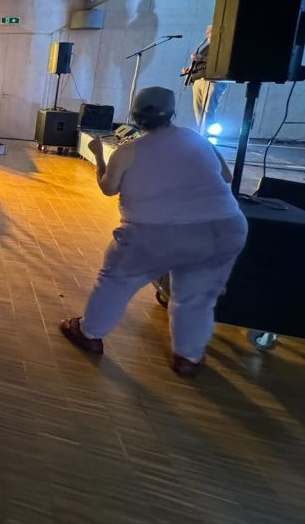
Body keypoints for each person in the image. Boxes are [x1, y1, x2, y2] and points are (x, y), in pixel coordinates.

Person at [59, 87, 248, 377]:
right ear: (172, 114)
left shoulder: (127, 151)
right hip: (222, 229)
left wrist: (98, 155)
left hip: (153, 233)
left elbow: (108, 188)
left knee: (116, 280)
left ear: (135, 117)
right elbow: (226, 176)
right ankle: (188, 357)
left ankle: (89, 333)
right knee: (196, 298)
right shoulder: (196, 139)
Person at [185, 25, 228, 135]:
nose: (207, 34)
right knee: (198, 110)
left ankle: (207, 135)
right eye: (207, 32)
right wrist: (191, 70)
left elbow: (222, 62)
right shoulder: (206, 47)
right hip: (199, 80)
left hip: (211, 80)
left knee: (208, 110)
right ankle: (201, 134)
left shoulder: (224, 46)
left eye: (210, 32)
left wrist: (202, 58)